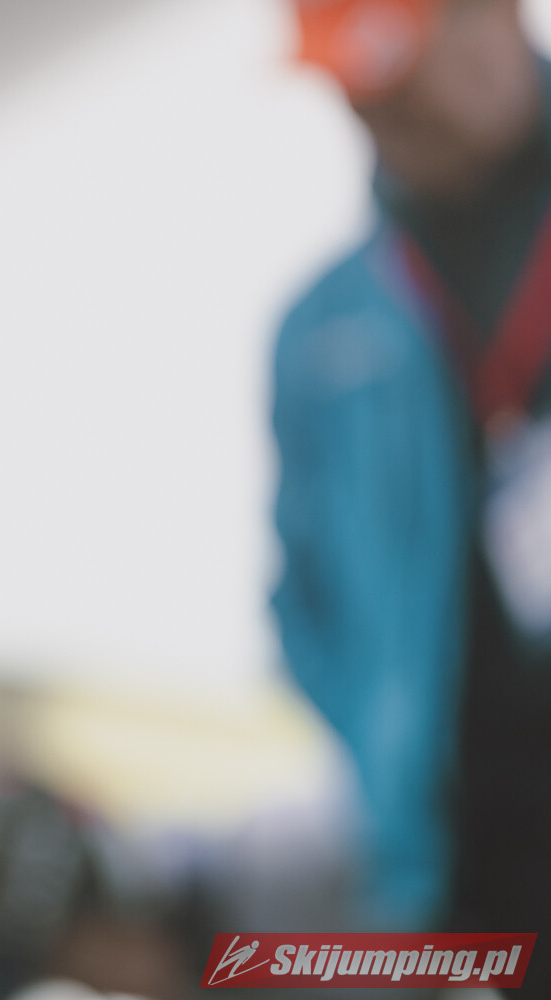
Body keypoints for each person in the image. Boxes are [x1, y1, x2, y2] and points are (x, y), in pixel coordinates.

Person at [273, 0, 551, 958]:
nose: (370, 106)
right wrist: (390, 756)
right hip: (461, 887)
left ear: (495, 21)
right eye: (350, 81)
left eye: (393, 65)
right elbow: (302, 606)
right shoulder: (321, 337)